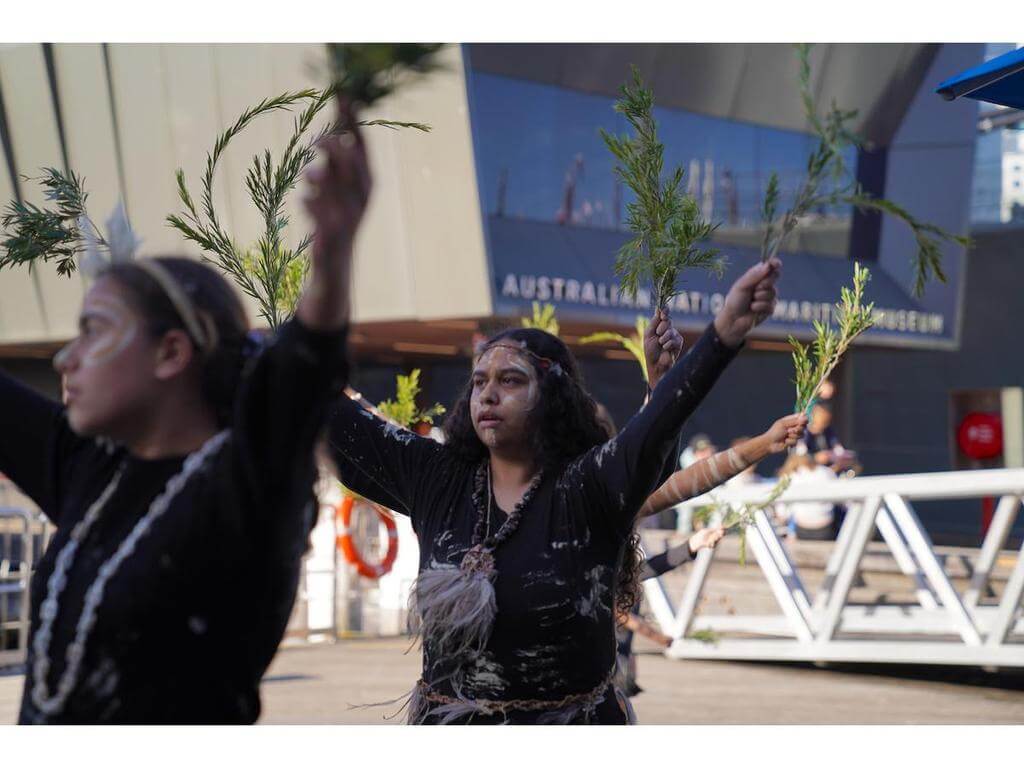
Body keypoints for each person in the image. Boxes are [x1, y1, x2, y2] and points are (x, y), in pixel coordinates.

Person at [0, 106, 370, 724]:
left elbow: (301, 370)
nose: (68, 358)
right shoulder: (91, 466)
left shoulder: (243, 487)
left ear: (172, 352)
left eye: (94, 332)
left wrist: (332, 256)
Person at [327, 259, 781, 724]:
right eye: (479, 381)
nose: (487, 394)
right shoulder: (438, 477)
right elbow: (334, 422)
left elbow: (651, 437)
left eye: (511, 380)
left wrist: (724, 332)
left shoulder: (586, 487)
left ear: (553, 397)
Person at [776, 453, 839, 540]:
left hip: (802, 528)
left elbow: (782, 513)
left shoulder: (790, 475)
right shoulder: (826, 472)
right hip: (827, 526)